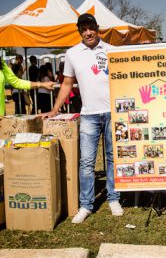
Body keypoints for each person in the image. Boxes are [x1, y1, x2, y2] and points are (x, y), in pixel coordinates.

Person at [40, 13, 123, 223]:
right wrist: (55, 109)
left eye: (91, 28)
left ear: (97, 28)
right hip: (88, 115)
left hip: (113, 112)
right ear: (79, 32)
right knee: (86, 162)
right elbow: (67, 83)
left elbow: (125, 77)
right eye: (83, 29)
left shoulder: (112, 50)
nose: (88, 32)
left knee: (114, 157)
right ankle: (86, 205)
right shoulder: (72, 54)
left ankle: (114, 198)